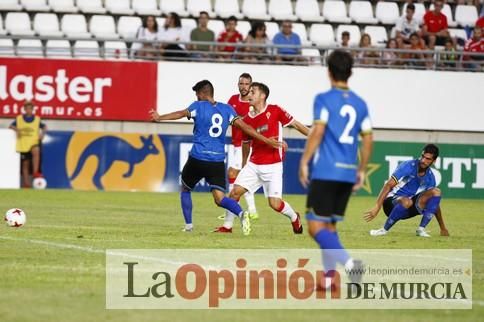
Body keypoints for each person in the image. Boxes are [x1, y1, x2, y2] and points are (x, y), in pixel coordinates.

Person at [149, 80, 281, 234]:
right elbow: (245, 127)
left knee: (185, 189)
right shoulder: (227, 109)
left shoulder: (197, 106)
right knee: (220, 198)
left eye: (197, 93)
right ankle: (241, 214)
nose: (196, 96)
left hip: (197, 158)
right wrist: (265, 140)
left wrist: (160, 117)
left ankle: (189, 226)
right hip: (217, 161)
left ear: (202, 93)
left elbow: (181, 113)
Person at [298, 50, 373, 287]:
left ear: (329, 71)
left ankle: (350, 265)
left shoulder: (324, 99)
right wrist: (361, 170)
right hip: (348, 172)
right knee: (329, 226)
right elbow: (369, 138)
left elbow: (318, 131)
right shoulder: (361, 103)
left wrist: (304, 161)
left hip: (326, 170)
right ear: (350, 72)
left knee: (313, 226)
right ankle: (329, 279)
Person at [215, 82, 309, 234]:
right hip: (254, 164)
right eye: (249, 92)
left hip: (273, 166)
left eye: (253, 92)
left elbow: (296, 125)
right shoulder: (246, 119)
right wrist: (245, 164)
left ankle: (294, 217)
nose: (249, 94)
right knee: (234, 192)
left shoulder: (275, 110)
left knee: (275, 204)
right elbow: (246, 144)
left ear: (263, 96)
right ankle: (227, 226)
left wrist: (314, 137)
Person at [364, 144, 449, 238]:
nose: (423, 161)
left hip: (409, 207)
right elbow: (388, 185)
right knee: (406, 201)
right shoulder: (408, 166)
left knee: (436, 192)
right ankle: (383, 230)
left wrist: (443, 228)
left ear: (434, 161)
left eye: (428, 159)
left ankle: (421, 229)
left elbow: (434, 204)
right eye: (423, 157)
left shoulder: (430, 178)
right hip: (391, 203)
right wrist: (377, 207)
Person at [216, 73, 259, 224]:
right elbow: (226, 117)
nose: (243, 87)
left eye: (246, 84)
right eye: (241, 83)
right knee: (235, 176)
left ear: (251, 86)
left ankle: (244, 210)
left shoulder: (253, 102)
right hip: (236, 143)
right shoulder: (233, 100)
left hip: (248, 145)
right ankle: (245, 210)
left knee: (237, 175)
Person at [9, 100, 47, 188]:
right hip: (23, 144)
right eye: (27, 108)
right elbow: (11, 126)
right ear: (24, 109)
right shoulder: (19, 118)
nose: (28, 110)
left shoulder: (37, 119)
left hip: (33, 142)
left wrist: (42, 133)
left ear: (33, 109)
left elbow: (44, 127)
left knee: (36, 151)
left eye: (30, 108)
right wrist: (16, 129)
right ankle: (26, 183)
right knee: (25, 164)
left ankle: (35, 172)